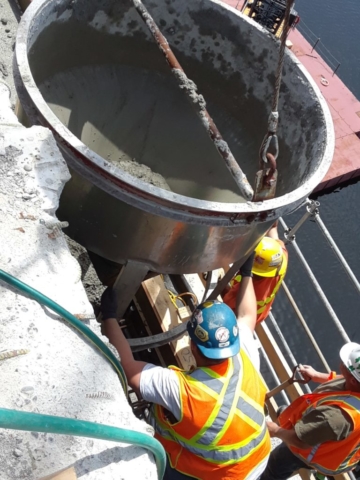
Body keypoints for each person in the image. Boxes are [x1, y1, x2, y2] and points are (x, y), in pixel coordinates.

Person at [100, 253, 271, 480]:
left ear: (191, 345)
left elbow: (130, 370)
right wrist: (247, 273)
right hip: (259, 456)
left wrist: (109, 318)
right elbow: (248, 315)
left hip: (221, 474)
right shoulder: (243, 353)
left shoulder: (187, 394)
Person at [260, 342, 360, 480]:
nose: (340, 363)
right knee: (284, 412)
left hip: (307, 450)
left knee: (276, 464)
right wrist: (317, 375)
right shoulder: (355, 383)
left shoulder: (337, 416)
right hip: (328, 435)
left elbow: (301, 441)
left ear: (353, 380)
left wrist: (276, 431)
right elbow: (343, 380)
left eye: (344, 364)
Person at [223, 221, 288, 324]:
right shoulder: (280, 255)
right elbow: (273, 229)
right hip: (260, 315)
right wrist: (272, 219)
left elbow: (230, 306)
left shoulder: (248, 290)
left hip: (240, 317)